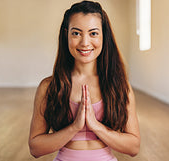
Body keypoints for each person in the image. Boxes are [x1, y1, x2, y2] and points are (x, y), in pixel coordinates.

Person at [28, 1, 140, 160]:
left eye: (93, 33)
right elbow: (35, 148)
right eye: (76, 33)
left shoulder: (120, 86)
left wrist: (96, 126)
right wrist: (74, 127)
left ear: (103, 36)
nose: (85, 43)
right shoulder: (49, 87)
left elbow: (133, 147)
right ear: (66, 34)